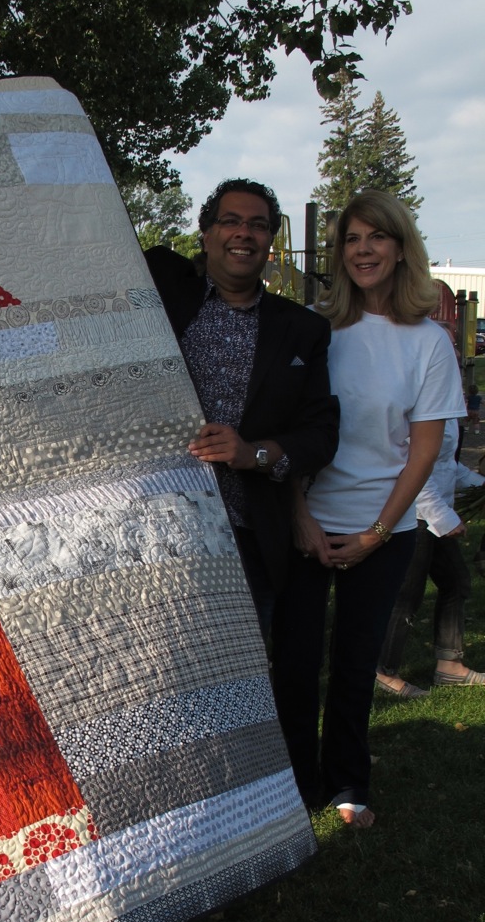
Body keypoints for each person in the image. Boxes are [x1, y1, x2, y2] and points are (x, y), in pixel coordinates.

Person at [271, 190, 466, 828]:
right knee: (296, 662)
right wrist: (301, 515)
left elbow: (425, 449)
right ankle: (296, 785)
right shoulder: (314, 329)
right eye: (351, 239)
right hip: (306, 522)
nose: (362, 250)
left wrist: (378, 534)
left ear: (401, 247)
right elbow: (293, 431)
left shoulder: (429, 342)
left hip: (384, 530)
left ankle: (348, 783)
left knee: (356, 666)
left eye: (375, 237)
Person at [144, 179, 338, 637]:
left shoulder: (302, 330)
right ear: (206, 233)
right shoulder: (162, 298)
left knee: (243, 673)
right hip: (158, 524)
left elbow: (321, 433)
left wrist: (255, 453)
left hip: (247, 533)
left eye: (258, 225)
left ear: (270, 241)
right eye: (230, 222)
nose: (243, 234)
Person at [375, 417, 485, 696]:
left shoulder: (444, 412)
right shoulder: (418, 408)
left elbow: (447, 465)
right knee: (406, 595)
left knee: (456, 582)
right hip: (415, 516)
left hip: (436, 517)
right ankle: (383, 671)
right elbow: (412, 470)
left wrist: (480, 485)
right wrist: (445, 518)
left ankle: (450, 664)